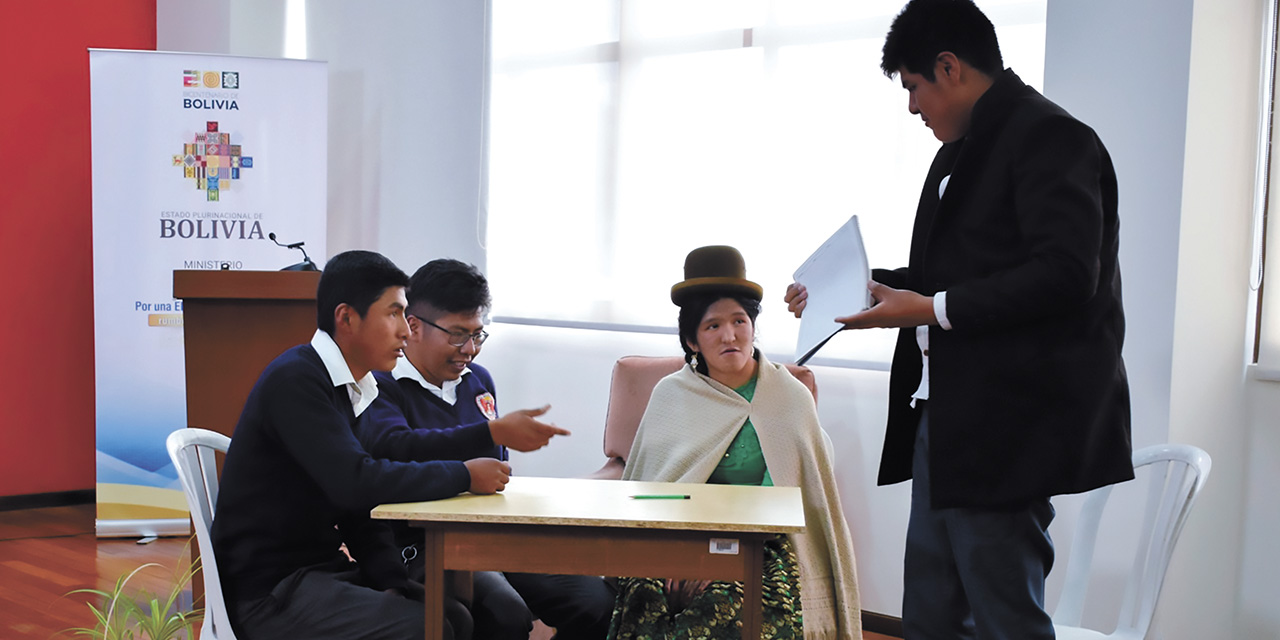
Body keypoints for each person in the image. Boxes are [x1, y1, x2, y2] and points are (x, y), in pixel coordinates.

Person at [785, 1, 1134, 638]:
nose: (912, 107)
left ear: (949, 67)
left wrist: (931, 308)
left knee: (1003, 612)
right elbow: (957, 275)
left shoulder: (1053, 138)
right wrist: (860, 290)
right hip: (944, 414)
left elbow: (1065, 273)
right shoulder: (959, 150)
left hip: (1009, 420)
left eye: (913, 87)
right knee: (931, 606)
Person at [211, 250, 512, 640]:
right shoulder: (297, 380)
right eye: (394, 314)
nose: (405, 330)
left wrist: (389, 580)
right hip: (271, 590)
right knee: (428, 627)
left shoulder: (349, 388)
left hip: (318, 569)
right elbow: (356, 482)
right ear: (347, 318)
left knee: (456, 616)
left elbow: (355, 504)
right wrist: (462, 474)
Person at [610, 245, 861, 640]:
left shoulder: (788, 395)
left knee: (726, 606)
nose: (730, 335)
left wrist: (717, 561)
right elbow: (657, 492)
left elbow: (790, 498)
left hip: (763, 545)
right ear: (692, 341)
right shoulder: (671, 395)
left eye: (739, 321)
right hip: (680, 539)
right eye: (712, 326)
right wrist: (684, 555)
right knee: (651, 598)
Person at [360, 258, 618, 640]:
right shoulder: (380, 386)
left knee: (593, 601)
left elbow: (497, 465)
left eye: (478, 335)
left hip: (493, 536)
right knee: (505, 615)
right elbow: (396, 452)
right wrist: (488, 436)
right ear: (413, 326)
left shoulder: (478, 381)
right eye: (457, 335)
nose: (470, 349)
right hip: (421, 545)